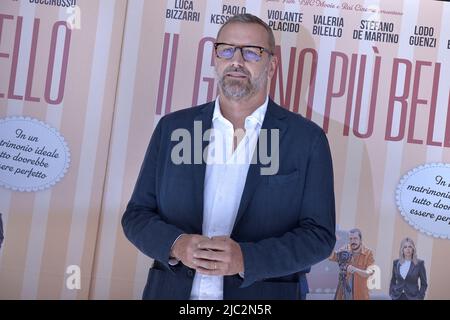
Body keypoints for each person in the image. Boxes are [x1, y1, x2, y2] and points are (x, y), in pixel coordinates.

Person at [122, 13, 336, 300]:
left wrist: (246, 258)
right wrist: (177, 244)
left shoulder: (306, 139)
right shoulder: (174, 128)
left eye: (251, 52)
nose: (237, 61)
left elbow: (319, 237)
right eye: (226, 50)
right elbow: (136, 216)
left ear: (271, 65)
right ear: (215, 58)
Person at [330, 228, 374, 300]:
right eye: (350, 239)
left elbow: (369, 272)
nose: (353, 241)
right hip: (344, 294)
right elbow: (332, 256)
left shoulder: (368, 253)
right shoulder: (345, 249)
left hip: (361, 295)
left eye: (355, 238)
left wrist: (355, 270)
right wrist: (331, 242)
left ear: (360, 239)